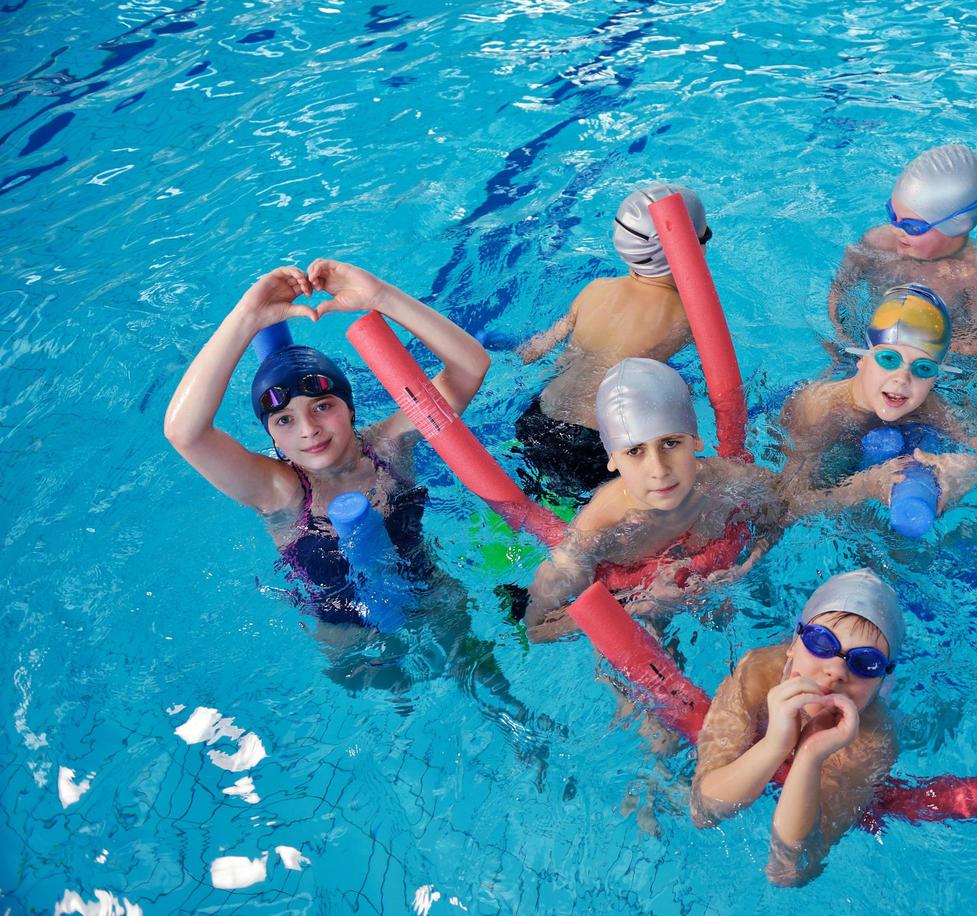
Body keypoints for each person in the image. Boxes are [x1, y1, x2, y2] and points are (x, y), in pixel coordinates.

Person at [164, 260, 490, 629]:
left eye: (322, 406)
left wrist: (381, 296)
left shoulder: (389, 446)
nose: (309, 430)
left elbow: (471, 366)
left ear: (350, 409)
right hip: (348, 633)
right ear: (272, 436)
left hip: (428, 593)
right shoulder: (279, 490)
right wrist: (246, 317)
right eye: (284, 420)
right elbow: (184, 433)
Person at [522, 358, 786, 642]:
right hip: (629, 594)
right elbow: (539, 630)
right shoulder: (594, 533)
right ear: (612, 459)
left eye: (670, 443)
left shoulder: (729, 480)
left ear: (696, 440)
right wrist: (637, 605)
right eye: (635, 451)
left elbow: (783, 510)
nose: (659, 470)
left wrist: (747, 565)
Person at [689, 569, 902, 886]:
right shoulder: (758, 673)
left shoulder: (872, 739)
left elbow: (789, 871)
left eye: (865, 663)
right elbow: (702, 812)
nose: (836, 670)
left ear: (881, 682)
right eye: (821, 642)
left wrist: (810, 758)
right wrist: (774, 744)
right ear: (793, 644)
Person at [515, 182, 712, 503]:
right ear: (689, 249)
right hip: (594, 444)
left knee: (537, 490)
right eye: (706, 237)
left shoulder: (596, 288)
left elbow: (534, 351)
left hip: (538, 417)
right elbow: (709, 382)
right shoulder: (689, 316)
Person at [781, 283, 977, 515]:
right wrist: (864, 486)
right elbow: (790, 504)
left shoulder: (930, 406)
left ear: (935, 378)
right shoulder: (818, 407)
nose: (903, 378)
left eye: (923, 368)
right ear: (862, 358)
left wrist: (972, 470)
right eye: (889, 359)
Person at [828, 144, 977, 358]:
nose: (897, 230)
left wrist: (923, 350)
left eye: (912, 226)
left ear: (957, 225)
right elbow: (838, 290)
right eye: (893, 215)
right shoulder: (877, 242)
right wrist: (840, 337)